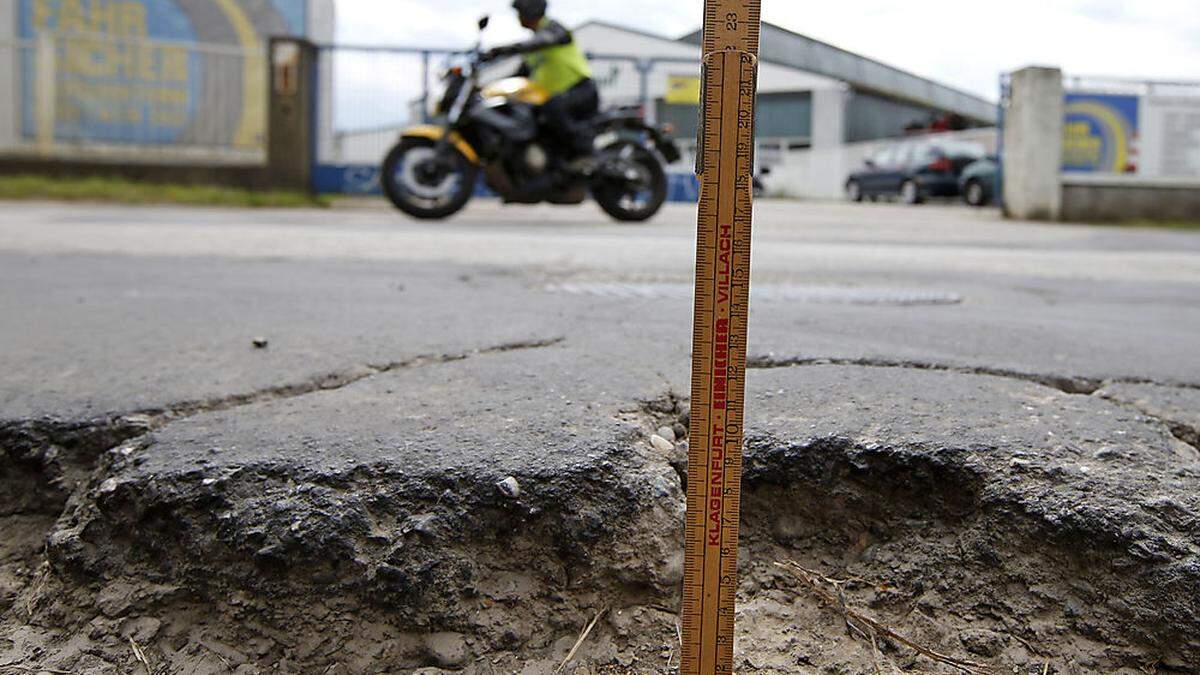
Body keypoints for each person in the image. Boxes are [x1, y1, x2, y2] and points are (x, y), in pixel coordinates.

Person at [482, 0, 599, 167]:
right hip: (555, 95)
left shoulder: (554, 29)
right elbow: (518, 76)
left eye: (520, 12)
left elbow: (543, 41)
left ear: (531, 10)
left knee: (553, 108)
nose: (518, 17)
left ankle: (585, 153)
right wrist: (488, 88)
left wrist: (500, 50)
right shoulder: (533, 47)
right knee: (530, 115)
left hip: (580, 90)